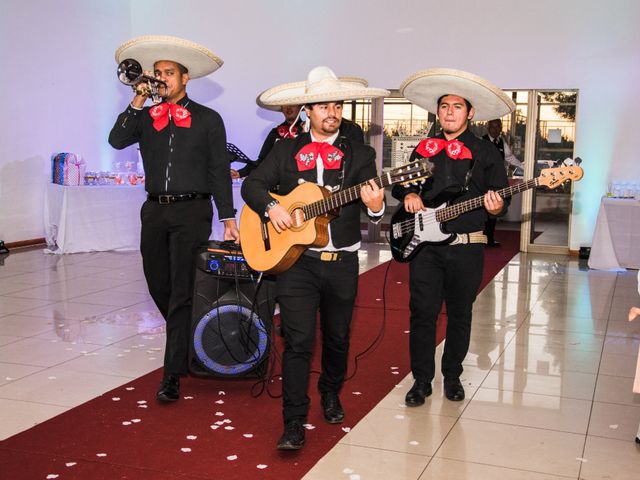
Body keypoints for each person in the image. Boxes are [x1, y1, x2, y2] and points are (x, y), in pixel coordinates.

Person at [241, 66, 388, 450]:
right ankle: (293, 421)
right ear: (308, 110)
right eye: (324, 105)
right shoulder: (285, 149)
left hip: (342, 262)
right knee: (299, 342)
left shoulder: (360, 154)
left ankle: (331, 391)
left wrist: (375, 208)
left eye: (337, 104)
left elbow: (374, 207)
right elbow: (252, 184)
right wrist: (272, 207)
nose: (332, 112)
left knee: (338, 338)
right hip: (297, 261)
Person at [108, 35, 239, 403]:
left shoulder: (208, 119)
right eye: (158, 72)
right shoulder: (145, 117)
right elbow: (116, 140)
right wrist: (136, 98)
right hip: (154, 209)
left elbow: (217, 170)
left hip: (192, 211)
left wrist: (228, 217)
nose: (162, 77)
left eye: (170, 72)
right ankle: (190, 333)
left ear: (185, 79)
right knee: (157, 283)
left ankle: (171, 375)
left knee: (181, 290)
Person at [392, 68, 514, 406]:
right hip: (425, 249)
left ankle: (453, 376)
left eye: (457, 106)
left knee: (461, 314)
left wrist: (495, 206)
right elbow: (402, 183)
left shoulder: (487, 153)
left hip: (467, 247)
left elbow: (502, 202)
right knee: (422, 313)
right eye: (444, 106)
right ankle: (420, 380)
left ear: (470, 113)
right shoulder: (424, 148)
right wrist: (407, 196)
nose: (449, 112)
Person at [231, 104, 304, 179]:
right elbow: (263, 160)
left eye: (293, 104)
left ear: (300, 107)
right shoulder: (276, 132)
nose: (288, 108)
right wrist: (240, 173)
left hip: (305, 182)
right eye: (284, 105)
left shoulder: (309, 129)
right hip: (280, 184)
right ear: (281, 108)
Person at [482, 118, 523, 246]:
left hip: (496, 183)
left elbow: (510, 158)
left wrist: (524, 168)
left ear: (501, 129)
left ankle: (489, 239)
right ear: (488, 128)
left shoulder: (501, 143)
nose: (495, 130)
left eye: (498, 127)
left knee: (493, 212)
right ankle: (482, 239)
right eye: (493, 127)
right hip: (483, 183)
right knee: (483, 213)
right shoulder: (481, 141)